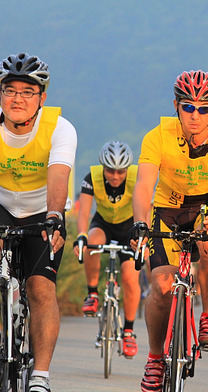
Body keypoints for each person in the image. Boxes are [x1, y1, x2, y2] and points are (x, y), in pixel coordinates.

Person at [131, 70, 208, 392]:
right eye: (187, 107)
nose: (194, 115)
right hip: (167, 210)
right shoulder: (157, 137)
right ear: (176, 105)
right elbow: (143, 187)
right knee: (161, 286)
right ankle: (155, 358)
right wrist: (140, 223)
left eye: (203, 108)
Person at [0, 52, 77, 392]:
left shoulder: (60, 128)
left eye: (28, 92)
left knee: (41, 288)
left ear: (42, 98)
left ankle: (40, 377)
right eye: (10, 90)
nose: (18, 98)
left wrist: (55, 217)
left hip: (42, 211)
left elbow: (59, 176)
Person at [73, 140, 141, 358]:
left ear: (127, 169)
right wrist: (80, 236)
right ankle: (92, 293)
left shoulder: (137, 178)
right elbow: (84, 213)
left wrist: (144, 240)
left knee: (131, 278)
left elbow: (146, 209)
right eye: (110, 170)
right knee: (91, 243)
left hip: (129, 228)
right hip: (103, 224)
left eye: (120, 171)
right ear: (103, 167)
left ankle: (129, 332)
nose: (115, 176)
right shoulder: (91, 178)